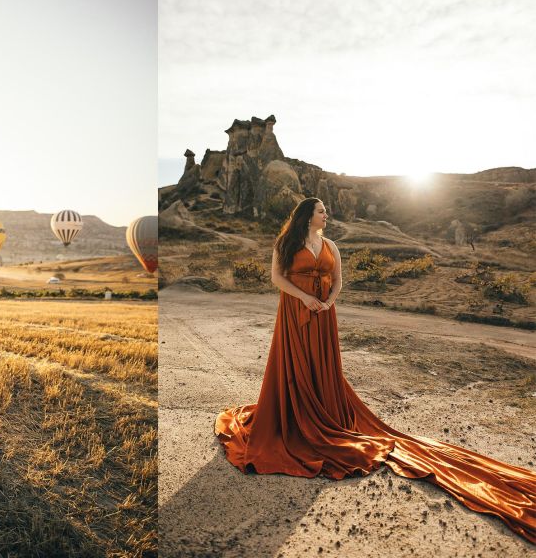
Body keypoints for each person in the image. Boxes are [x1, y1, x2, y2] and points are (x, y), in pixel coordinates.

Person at [214, 197, 535, 543]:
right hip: (295, 312)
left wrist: (327, 302)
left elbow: (338, 280)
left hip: (323, 314)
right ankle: (295, 414)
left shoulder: (330, 245)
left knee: (323, 368)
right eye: (322, 211)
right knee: (294, 365)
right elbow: (277, 277)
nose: (327, 215)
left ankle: (322, 411)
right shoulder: (286, 243)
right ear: (308, 216)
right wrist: (303, 298)